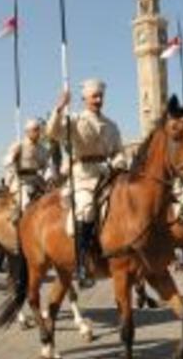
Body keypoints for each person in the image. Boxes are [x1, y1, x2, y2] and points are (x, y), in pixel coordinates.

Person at [45, 78, 126, 287]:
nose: (98, 100)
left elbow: (118, 151)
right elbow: (51, 132)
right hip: (83, 175)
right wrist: (60, 107)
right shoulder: (74, 120)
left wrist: (118, 163)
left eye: (100, 96)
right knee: (86, 209)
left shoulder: (111, 125)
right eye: (94, 97)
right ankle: (81, 264)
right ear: (84, 99)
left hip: (106, 174)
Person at [3, 118, 49, 219]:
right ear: (27, 132)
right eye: (35, 130)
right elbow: (6, 162)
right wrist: (13, 157)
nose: (38, 132)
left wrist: (49, 177)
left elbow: (46, 166)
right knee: (26, 204)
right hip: (21, 182)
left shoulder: (43, 149)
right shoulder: (19, 145)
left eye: (38, 129)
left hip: (37, 180)